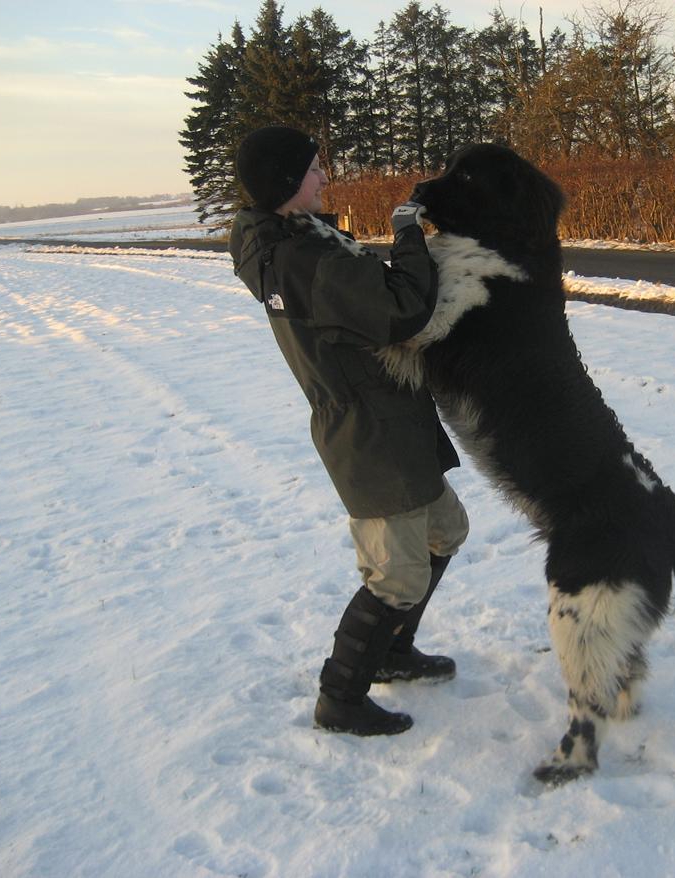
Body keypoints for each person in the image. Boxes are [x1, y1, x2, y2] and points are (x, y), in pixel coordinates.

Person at [229, 125, 468, 737]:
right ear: (286, 183)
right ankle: (340, 696)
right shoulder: (302, 258)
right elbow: (400, 308)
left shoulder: (298, 241)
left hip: (388, 413)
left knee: (446, 529)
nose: (324, 177)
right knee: (396, 574)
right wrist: (409, 230)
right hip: (370, 431)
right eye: (313, 169)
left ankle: (391, 649)